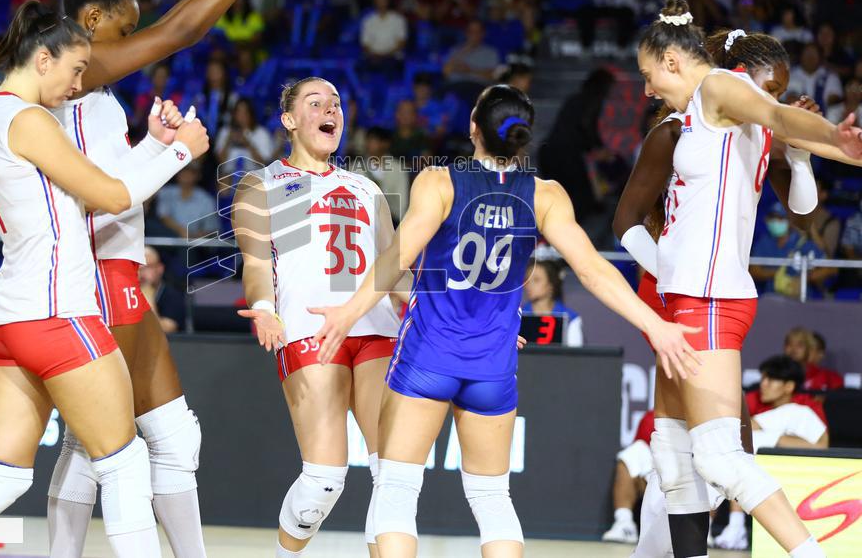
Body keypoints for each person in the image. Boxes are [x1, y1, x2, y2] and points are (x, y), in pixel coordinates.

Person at [308, 84, 703, 558]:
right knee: (493, 500)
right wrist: (655, 326)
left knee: (395, 491)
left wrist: (346, 314)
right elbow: (595, 270)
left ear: (474, 128)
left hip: (428, 355)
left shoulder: (438, 181)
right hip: (493, 364)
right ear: (523, 136)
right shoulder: (546, 195)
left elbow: (397, 257)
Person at [46, 0, 321, 558]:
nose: (133, 30)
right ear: (91, 20)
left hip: (113, 273)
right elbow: (183, 29)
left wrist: (152, 142)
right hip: (89, 279)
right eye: (124, 19)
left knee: (169, 437)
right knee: (100, 446)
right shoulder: (76, 61)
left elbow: (99, 170)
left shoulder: (88, 82)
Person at [0, 1, 207, 558]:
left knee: (0, 477)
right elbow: (111, 197)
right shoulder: (32, 121)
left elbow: (82, 197)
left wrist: (154, 147)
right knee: (123, 463)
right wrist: (182, 150)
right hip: (57, 312)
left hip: (5, 318)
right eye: (74, 70)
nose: (77, 86)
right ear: (43, 59)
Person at [615, 0, 862, 558]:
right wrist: (832, 146)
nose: (647, 88)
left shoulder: (720, 89)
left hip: (708, 298)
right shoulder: (694, 120)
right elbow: (781, 126)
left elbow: (779, 118)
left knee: (720, 457)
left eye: (648, 74)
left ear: (673, 62)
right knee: (673, 454)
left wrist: (832, 139)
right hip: (683, 297)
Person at [232, 77, 407, 558]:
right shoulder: (261, 183)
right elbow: (255, 262)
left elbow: (396, 272)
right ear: (289, 120)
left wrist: (444, 317)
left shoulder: (366, 187)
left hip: (376, 332)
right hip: (310, 331)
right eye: (315, 103)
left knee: (392, 473)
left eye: (335, 103)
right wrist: (264, 309)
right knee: (324, 481)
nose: (330, 110)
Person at [716, 355, 829, 551]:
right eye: (763, 378)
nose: (763, 384)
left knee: (741, 446)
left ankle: (735, 527)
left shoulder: (801, 408)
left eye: (771, 379)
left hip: (806, 474)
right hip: (770, 468)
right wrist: (778, 438)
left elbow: (822, 446)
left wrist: (778, 439)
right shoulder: (756, 401)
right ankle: (727, 528)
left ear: (789, 386)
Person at [538, 68, 616, 222]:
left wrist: (597, 148)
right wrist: (598, 150)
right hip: (564, 155)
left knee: (563, 198)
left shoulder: (577, 99)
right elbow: (585, 128)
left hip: (550, 152)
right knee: (582, 199)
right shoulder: (591, 100)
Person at [601, 410, 655, 543]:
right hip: (660, 476)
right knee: (633, 452)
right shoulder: (652, 417)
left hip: (690, 472)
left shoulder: (704, 413)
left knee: (705, 458)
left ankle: (702, 529)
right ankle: (625, 524)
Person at [521, 259, 584, 347]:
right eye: (527, 280)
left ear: (551, 285)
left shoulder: (570, 318)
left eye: (536, 280)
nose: (529, 285)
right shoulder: (517, 316)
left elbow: (575, 355)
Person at [139, 246, 187, 335]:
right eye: (137, 267)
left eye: (147, 267)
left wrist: (147, 298)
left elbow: (166, 330)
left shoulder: (173, 296)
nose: (141, 272)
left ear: (160, 268)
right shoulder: (128, 293)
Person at [215, 97, 275, 168]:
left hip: (254, 176)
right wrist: (228, 141)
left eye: (245, 112)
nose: (242, 116)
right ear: (234, 114)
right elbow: (220, 162)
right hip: (228, 176)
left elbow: (264, 163)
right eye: (239, 112)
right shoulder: (225, 131)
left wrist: (248, 144)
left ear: (251, 114)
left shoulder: (261, 133)